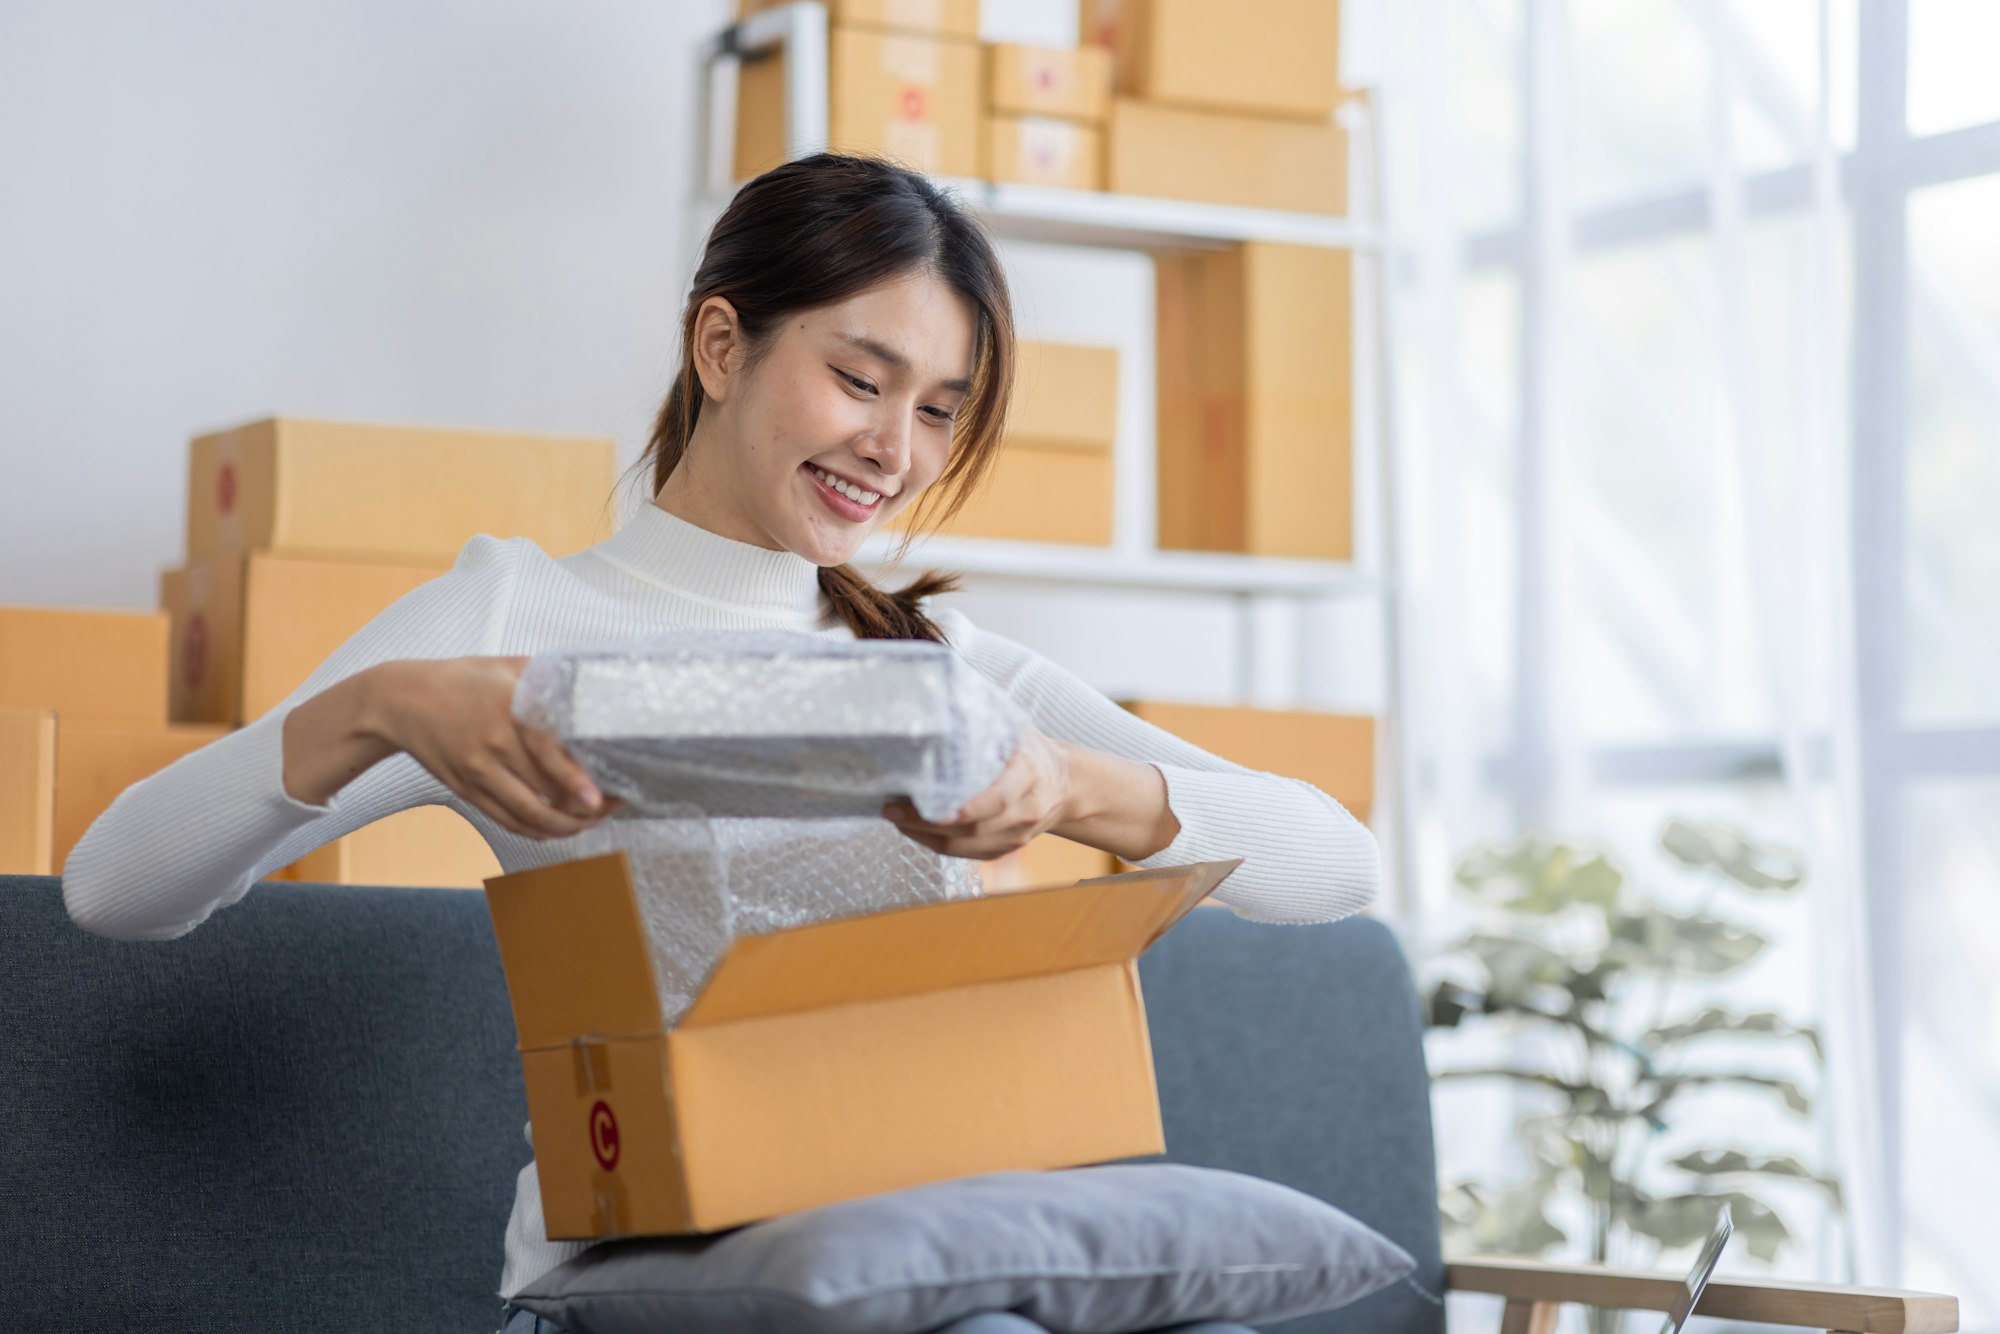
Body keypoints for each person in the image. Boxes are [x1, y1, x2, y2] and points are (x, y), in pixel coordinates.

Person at [61, 152, 1381, 1334]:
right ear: (719, 345)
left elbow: (1338, 865)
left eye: (937, 409)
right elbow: (117, 886)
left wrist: (1074, 785)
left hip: (922, 1256)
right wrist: (373, 708)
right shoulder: (511, 618)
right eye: (860, 380)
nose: (894, 447)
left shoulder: (939, 670)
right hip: (641, 1286)